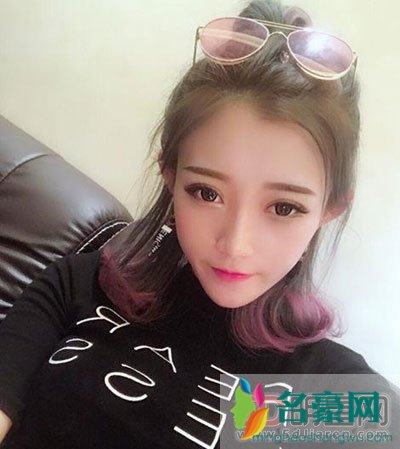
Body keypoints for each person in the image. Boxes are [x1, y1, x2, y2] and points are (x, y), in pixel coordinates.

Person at [0, 1, 399, 448]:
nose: (235, 244)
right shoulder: (79, 286)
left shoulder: (327, 389)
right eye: (207, 193)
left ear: (329, 210)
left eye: (284, 207)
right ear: (171, 179)